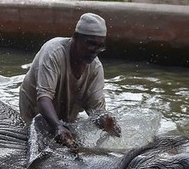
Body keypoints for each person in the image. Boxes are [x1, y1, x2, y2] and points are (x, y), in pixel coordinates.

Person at [19, 12, 122, 149]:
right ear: (75, 37)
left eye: (99, 46)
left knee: (72, 149)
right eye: (90, 44)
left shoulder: (95, 68)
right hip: (34, 110)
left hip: (65, 117)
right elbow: (43, 97)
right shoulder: (53, 52)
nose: (94, 51)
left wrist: (107, 123)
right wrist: (57, 127)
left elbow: (96, 110)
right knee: (37, 146)